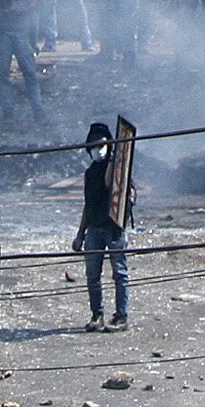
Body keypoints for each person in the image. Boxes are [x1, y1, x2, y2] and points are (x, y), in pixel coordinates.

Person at [75, 122, 132, 331]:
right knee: (92, 275)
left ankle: (121, 316)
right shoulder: (90, 173)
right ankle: (97, 315)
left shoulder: (118, 171)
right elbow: (87, 205)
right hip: (95, 229)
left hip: (113, 228)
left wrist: (115, 158)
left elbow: (110, 184)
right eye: (94, 145)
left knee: (119, 273)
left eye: (102, 144)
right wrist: (80, 234)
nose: (98, 149)